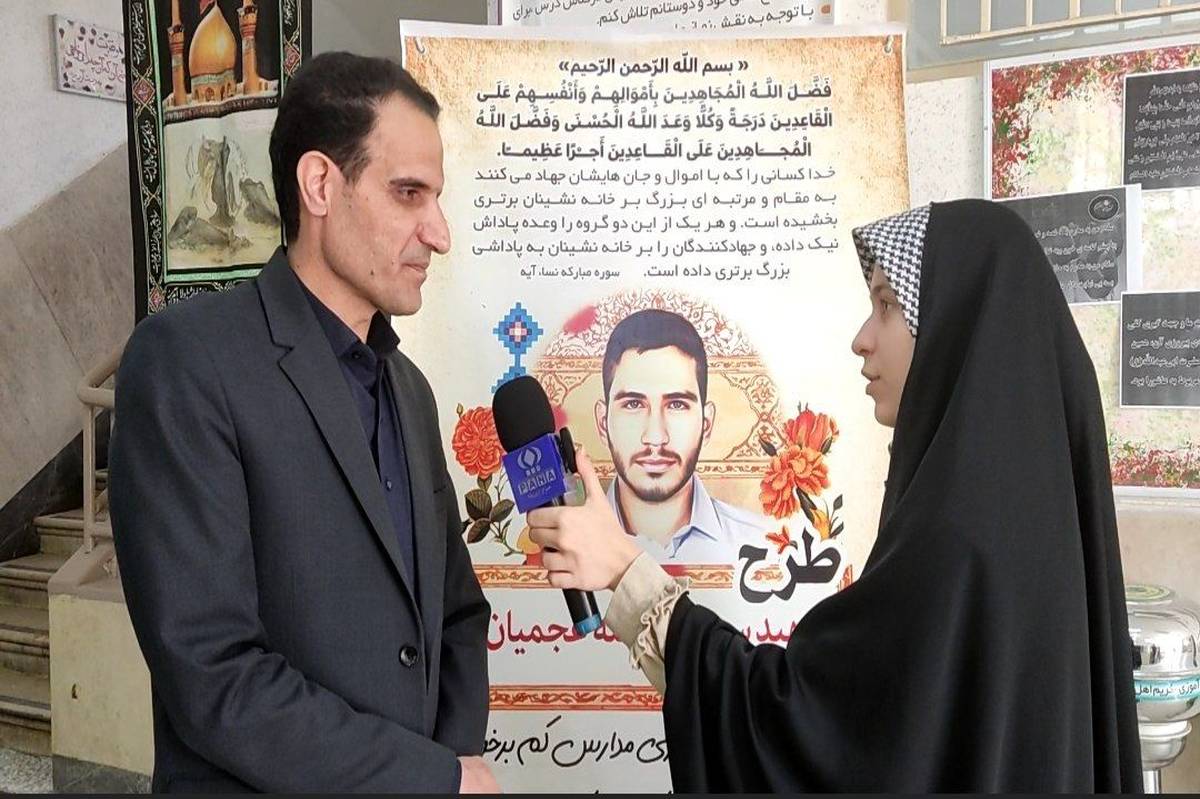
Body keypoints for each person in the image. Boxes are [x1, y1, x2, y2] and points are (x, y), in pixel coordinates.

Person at [527, 200, 1143, 792]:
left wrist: (626, 572)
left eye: (887, 305)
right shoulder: (1026, 527)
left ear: (954, 325)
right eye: (634, 403)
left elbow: (816, 739)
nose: (862, 339)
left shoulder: (956, 543)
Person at [109, 52, 497, 793]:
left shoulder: (409, 390)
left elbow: (456, 614)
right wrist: (427, 778)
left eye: (436, 198)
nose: (440, 233)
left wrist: (451, 764)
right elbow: (212, 671)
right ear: (320, 184)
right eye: (408, 194)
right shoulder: (188, 363)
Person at [596, 309, 772, 562]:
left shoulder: (767, 546)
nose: (656, 437)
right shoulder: (562, 548)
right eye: (633, 404)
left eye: (677, 405)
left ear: (706, 424)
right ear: (603, 423)